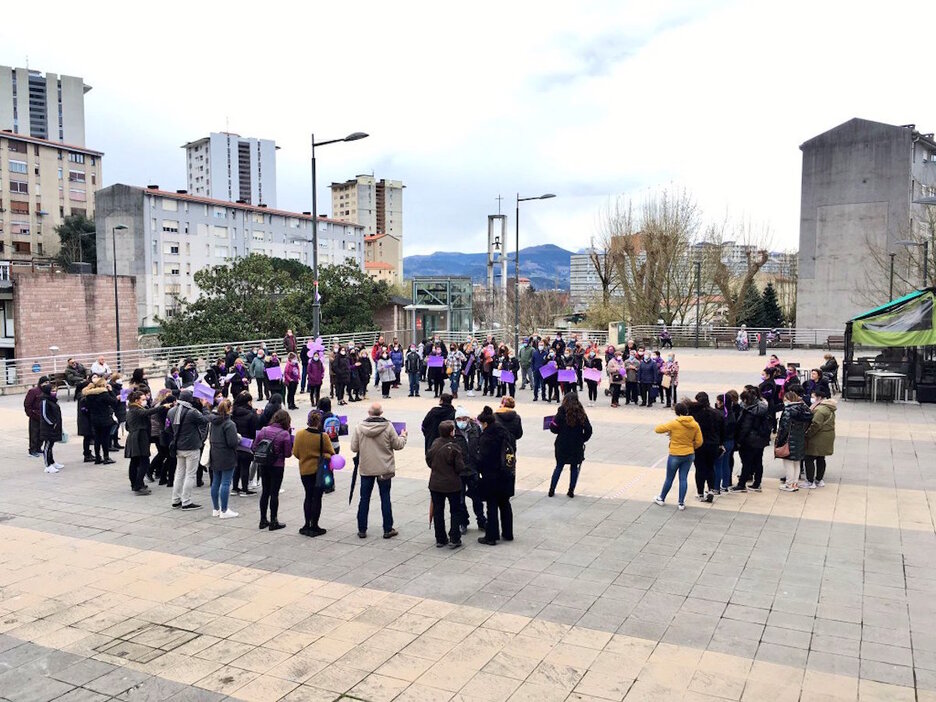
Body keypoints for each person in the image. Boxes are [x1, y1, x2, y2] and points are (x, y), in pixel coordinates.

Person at [351, 403, 407, 539]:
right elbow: (398, 445)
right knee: (385, 497)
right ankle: (388, 529)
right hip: (384, 467)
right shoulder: (388, 426)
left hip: (366, 468)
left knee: (364, 498)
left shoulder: (359, 427)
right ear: (381, 413)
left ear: (369, 412)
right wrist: (403, 436)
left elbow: (354, 447)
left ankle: (362, 529)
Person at [291, 410, 335, 537]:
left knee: (308, 496)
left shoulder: (299, 434)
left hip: (305, 470)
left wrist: (305, 457)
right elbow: (331, 453)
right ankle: (314, 525)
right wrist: (322, 455)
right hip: (318, 471)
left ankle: (306, 524)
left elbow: (295, 452)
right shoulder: (323, 436)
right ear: (319, 423)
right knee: (317, 498)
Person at [653, 402, 703, 510]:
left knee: (669, 478)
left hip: (675, 453)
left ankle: (661, 498)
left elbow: (658, 429)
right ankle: (681, 503)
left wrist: (670, 430)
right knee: (683, 478)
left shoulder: (674, 423)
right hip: (689, 454)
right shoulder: (694, 424)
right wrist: (691, 446)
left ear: (677, 412)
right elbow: (699, 441)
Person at [167, 390, 211, 510]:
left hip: (178, 446)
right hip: (191, 446)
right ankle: (186, 501)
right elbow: (205, 419)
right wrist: (205, 406)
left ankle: (175, 499)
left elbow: (167, 428)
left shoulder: (171, 411)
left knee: (179, 473)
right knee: (190, 474)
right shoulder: (192, 412)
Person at [476, 406, 514, 545]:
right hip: (506, 473)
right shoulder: (503, 431)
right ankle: (508, 533)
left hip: (491, 475)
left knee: (491, 505)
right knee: (505, 503)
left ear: (485, 423)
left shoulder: (487, 437)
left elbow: (483, 458)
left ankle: (491, 536)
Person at [426, 420, 466, 548]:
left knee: (438, 510)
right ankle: (454, 538)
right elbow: (460, 467)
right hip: (452, 484)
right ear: (451, 432)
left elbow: (429, 460)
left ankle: (440, 538)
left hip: (436, 483)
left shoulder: (435, 444)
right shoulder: (454, 447)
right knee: (455, 511)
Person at [253, 409, 294, 530]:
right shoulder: (285, 434)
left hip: (264, 464)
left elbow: (254, 446)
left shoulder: (264, 430)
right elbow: (287, 454)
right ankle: (273, 520)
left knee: (265, 491)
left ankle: (262, 520)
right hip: (277, 466)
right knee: (274, 493)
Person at [548, 392, 593, 498]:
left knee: (559, 466)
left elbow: (554, 427)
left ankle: (552, 490)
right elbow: (589, 429)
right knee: (574, 467)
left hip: (562, 443)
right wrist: (583, 439)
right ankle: (571, 491)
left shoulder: (561, 410)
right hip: (576, 444)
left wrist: (557, 429)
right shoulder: (581, 412)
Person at [453, 405, 486, 532]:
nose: (462, 421)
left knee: (477, 498)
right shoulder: (453, 431)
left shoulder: (475, 429)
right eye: (459, 419)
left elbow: (481, 444)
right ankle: (463, 522)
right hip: (459, 471)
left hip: (473, 469)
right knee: (460, 500)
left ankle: (481, 520)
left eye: (464, 418)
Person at [688, 392, 724, 502]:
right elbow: (722, 431)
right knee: (710, 467)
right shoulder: (717, 413)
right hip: (713, 444)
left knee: (700, 469)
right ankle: (711, 489)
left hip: (699, 445)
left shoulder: (695, 415)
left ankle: (700, 493)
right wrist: (720, 443)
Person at [125, 390, 161, 495]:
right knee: (144, 461)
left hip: (135, 436)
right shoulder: (135, 409)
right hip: (139, 437)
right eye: (143, 399)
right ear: (137, 400)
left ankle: (135, 484)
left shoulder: (131, 409)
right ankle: (138, 485)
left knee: (135, 461)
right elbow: (147, 412)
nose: (145, 401)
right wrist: (162, 407)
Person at [775, 389, 812, 492]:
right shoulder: (804, 409)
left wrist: (779, 441)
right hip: (799, 438)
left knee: (788, 463)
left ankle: (789, 484)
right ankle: (795, 483)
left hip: (789, 439)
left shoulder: (788, 410)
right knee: (796, 462)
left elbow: (784, 427)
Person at [803, 387, 836, 489]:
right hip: (827, 436)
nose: (811, 399)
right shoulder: (829, 408)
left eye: (813, 397)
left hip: (818, 437)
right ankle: (819, 479)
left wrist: (807, 434)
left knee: (809, 458)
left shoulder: (819, 410)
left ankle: (810, 481)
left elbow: (815, 424)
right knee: (821, 458)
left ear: (819, 398)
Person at [83, 377, 117, 465]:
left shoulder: (89, 395)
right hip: (105, 419)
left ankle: (98, 457)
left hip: (94, 419)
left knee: (97, 438)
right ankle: (106, 457)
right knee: (105, 438)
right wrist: (111, 391)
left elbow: (87, 406)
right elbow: (114, 401)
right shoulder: (104, 394)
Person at [231, 392, 259, 495]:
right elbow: (254, 430)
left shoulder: (233, 412)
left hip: (235, 442)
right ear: (248, 402)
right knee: (245, 466)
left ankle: (234, 487)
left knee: (237, 466)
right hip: (246, 443)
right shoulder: (251, 414)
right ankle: (244, 489)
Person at [714, 391, 739, 492]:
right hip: (730, 441)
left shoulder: (719, 415)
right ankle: (725, 485)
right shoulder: (731, 413)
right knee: (726, 464)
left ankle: (716, 487)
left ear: (721, 402)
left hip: (722, 442)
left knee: (718, 465)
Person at [39, 381, 63, 473]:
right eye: (52, 391)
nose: (54, 392)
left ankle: (52, 462)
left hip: (54, 427)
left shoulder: (52, 400)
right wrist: (52, 423)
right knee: (47, 446)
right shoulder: (44, 401)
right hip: (48, 428)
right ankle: (47, 465)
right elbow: (44, 415)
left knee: (51, 445)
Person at [25, 376, 48, 458]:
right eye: (45, 383)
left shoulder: (45, 391)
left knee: (41, 434)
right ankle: (32, 450)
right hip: (35, 416)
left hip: (43, 416)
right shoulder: (33, 391)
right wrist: (30, 413)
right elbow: (27, 404)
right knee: (34, 433)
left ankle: (38, 448)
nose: (47, 384)